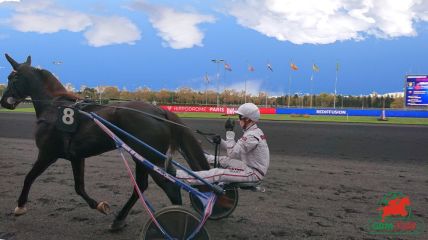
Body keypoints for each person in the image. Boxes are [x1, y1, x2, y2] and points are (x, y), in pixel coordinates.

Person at [175, 103, 270, 185]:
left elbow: (232, 153)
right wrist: (221, 141)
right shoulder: (254, 132)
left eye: (240, 117)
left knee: (218, 173)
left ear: (248, 120)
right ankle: (198, 155)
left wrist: (229, 132)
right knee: (224, 160)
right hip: (249, 167)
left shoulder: (251, 136)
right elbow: (235, 149)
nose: (238, 120)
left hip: (253, 173)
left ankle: (179, 175)